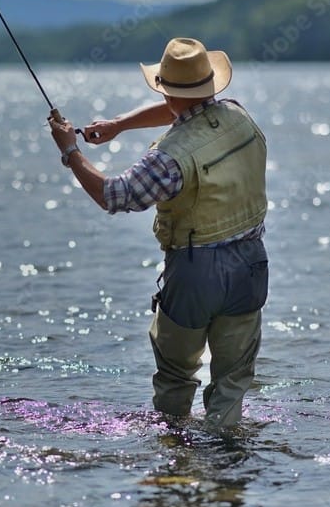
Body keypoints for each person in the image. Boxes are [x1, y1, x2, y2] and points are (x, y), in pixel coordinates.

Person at [48, 37, 269, 431]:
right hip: (251, 265)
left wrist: (71, 153)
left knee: (175, 380)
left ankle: (175, 465)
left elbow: (114, 196)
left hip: (194, 271)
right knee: (233, 382)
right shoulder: (238, 116)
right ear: (211, 83)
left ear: (165, 89)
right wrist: (119, 125)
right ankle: (229, 467)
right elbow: (184, 112)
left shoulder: (169, 158)